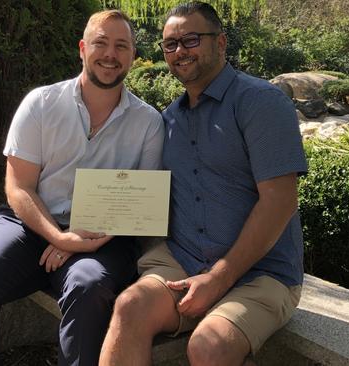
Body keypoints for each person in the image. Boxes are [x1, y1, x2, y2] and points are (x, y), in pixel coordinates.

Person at [0, 9, 164, 366]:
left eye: (121, 46)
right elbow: (18, 187)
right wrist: (60, 237)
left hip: (106, 235)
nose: (111, 54)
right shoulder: (41, 104)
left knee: (88, 286)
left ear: (132, 57)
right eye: (101, 43)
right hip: (29, 224)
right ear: (82, 48)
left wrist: (84, 240)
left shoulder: (149, 123)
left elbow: (140, 203)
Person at [99, 2, 307, 365]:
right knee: (129, 307)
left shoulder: (261, 103)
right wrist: (81, 231)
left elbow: (280, 202)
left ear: (221, 43)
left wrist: (218, 279)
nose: (179, 51)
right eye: (169, 44)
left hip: (262, 274)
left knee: (209, 346)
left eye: (191, 39)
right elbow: (142, 194)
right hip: (183, 260)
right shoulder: (169, 119)